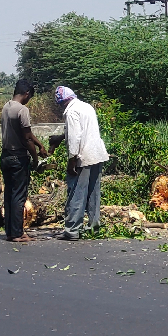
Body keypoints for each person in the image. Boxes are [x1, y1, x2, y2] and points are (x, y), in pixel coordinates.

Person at [51, 86, 109, 240]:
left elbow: (75, 138)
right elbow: (83, 130)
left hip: (83, 157)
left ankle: (72, 231)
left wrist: (72, 161)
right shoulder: (86, 107)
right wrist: (61, 137)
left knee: (77, 193)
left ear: (62, 102)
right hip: (97, 155)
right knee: (93, 194)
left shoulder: (70, 112)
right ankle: (93, 228)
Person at [0, 79, 48, 243]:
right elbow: (26, 138)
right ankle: (18, 233)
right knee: (19, 196)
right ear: (26, 94)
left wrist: (40, 144)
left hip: (5, 156)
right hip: (18, 157)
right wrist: (35, 158)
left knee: (9, 194)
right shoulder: (22, 110)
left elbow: (26, 133)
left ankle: (10, 232)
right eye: (29, 97)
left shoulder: (6, 107)